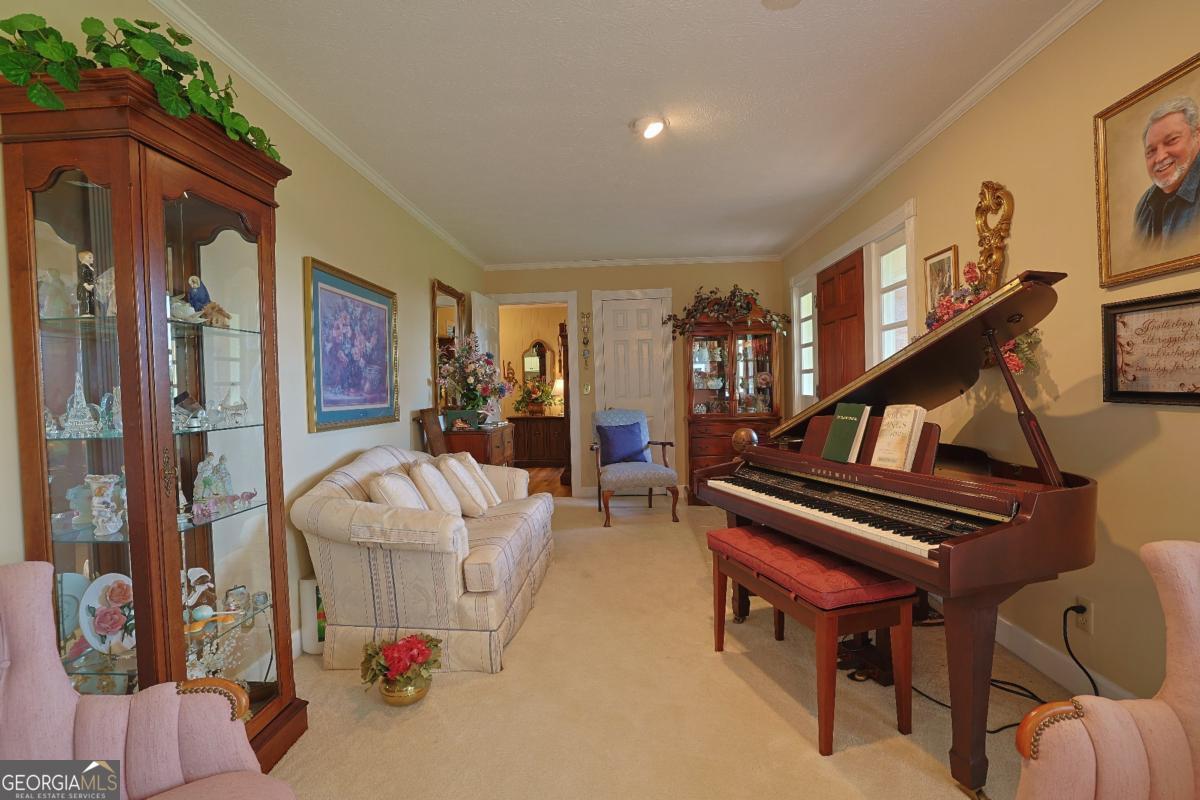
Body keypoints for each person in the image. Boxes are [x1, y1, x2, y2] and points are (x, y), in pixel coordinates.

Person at [1134, 96, 1200, 241]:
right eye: (1151, 151)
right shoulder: (1143, 206)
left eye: (1171, 141)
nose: (1160, 158)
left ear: (1197, 135)